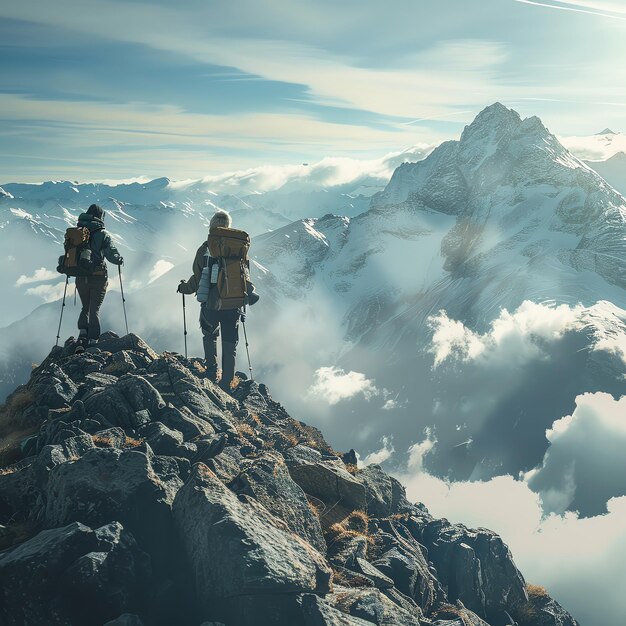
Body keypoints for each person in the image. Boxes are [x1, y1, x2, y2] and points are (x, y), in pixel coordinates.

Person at [178, 209, 258, 392]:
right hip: (234, 304)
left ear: (212, 226)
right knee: (230, 343)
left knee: (210, 335)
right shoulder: (239, 248)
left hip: (211, 304)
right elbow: (245, 276)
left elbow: (197, 279)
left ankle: (211, 373)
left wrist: (184, 288)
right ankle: (227, 381)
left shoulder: (205, 248)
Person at [75, 204, 123, 350]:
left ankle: (82, 334)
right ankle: (92, 342)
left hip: (81, 276)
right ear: (101, 217)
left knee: (85, 306)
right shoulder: (103, 234)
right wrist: (119, 259)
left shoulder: (77, 232)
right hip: (98, 277)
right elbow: (111, 255)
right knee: (94, 309)